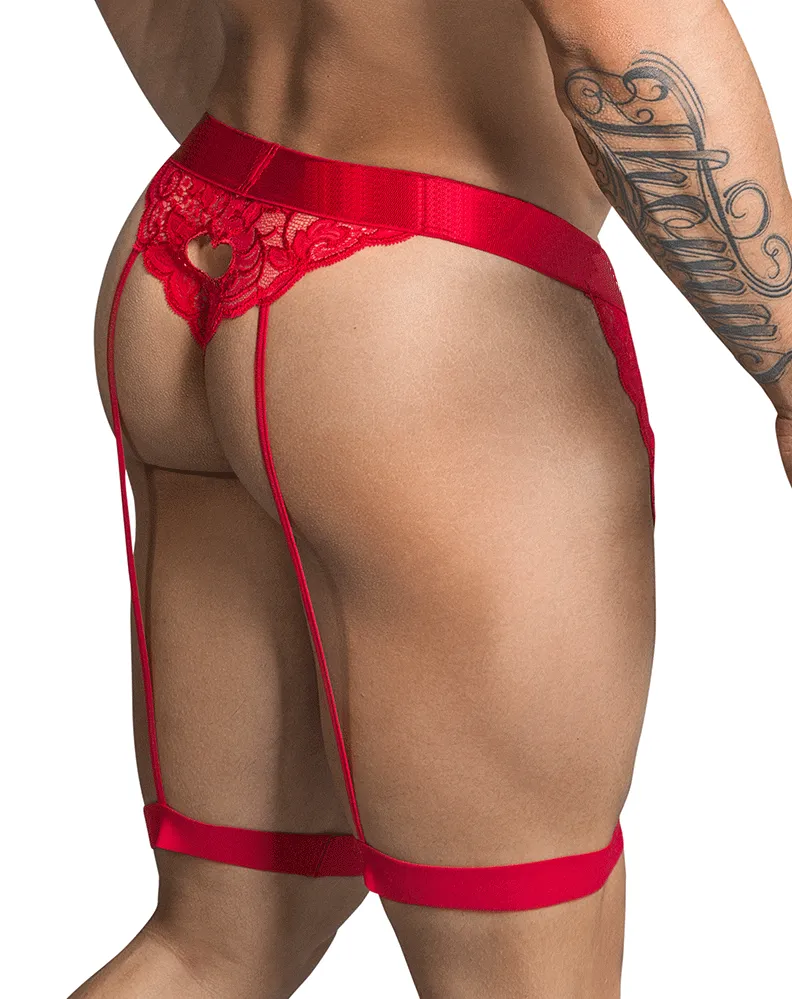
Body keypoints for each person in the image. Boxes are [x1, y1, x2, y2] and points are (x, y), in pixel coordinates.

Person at [74, 1, 792, 996]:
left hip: (201, 226)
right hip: (421, 312)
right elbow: (620, 37)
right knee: (526, 970)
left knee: (218, 945)